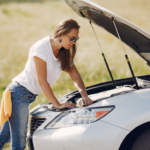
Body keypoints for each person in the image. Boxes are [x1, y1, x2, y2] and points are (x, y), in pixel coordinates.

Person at [0, 18, 93, 150]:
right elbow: (42, 81)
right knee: (19, 142)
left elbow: (75, 76)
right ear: (61, 34)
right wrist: (58, 105)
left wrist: (84, 95)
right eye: (72, 38)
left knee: (3, 137)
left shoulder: (64, 52)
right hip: (19, 93)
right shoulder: (41, 48)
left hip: (25, 95)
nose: (73, 42)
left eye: (76, 39)